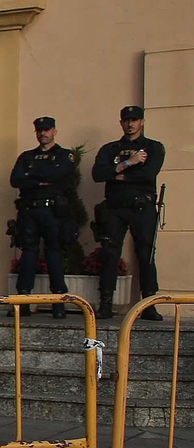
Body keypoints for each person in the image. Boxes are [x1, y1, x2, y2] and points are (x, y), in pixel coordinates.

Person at [91, 105, 165, 320]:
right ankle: (106, 303)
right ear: (121, 123)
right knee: (110, 254)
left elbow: (148, 173)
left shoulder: (153, 147)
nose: (130, 124)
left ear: (142, 122)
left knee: (146, 254)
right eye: (126, 120)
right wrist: (128, 163)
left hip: (141, 207)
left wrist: (117, 174)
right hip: (114, 208)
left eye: (134, 120)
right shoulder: (110, 149)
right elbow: (97, 174)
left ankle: (149, 304)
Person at [10, 116, 75, 319]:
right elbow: (15, 179)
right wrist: (42, 179)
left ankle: (58, 301)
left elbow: (60, 175)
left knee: (53, 253)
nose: (43, 134)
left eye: (46, 130)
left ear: (54, 131)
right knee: (28, 253)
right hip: (29, 211)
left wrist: (32, 177)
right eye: (39, 130)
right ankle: (23, 300)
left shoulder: (64, 155)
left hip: (53, 211)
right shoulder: (27, 156)